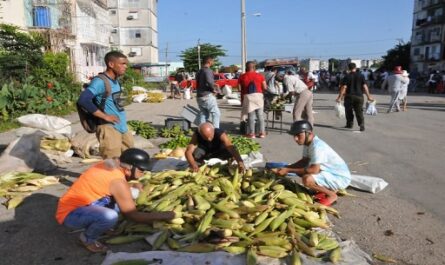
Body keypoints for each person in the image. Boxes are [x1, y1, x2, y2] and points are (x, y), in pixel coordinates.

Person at [55, 148, 175, 253]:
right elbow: (133, 216)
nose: (142, 175)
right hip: (70, 214)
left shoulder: (110, 164)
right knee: (110, 216)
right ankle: (87, 239)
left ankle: (101, 226)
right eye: (141, 171)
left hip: (81, 203)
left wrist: (133, 185)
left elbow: (111, 183)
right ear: (129, 168)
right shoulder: (118, 182)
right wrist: (164, 215)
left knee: (123, 200)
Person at [272, 120, 351, 206]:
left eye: (298, 135)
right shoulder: (308, 143)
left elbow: (314, 170)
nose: (295, 138)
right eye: (294, 135)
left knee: (307, 178)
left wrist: (288, 170)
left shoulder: (317, 147)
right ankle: (327, 189)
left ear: (308, 133)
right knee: (301, 171)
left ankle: (332, 195)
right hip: (331, 173)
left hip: (340, 178)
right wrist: (286, 168)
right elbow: (303, 162)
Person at [78, 51, 134, 158]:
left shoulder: (116, 81)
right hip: (108, 128)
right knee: (112, 163)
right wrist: (105, 116)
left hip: (122, 126)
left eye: (125, 64)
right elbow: (83, 100)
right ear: (111, 64)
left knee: (129, 159)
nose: (125, 66)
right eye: (122, 64)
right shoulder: (100, 81)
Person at [336, 63, 374, 132]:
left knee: (348, 111)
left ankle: (349, 124)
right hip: (359, 96)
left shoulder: (347, 76)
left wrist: (340, 97)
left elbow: (344, 87)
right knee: (359, 111)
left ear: (348, 68)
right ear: (355, 68)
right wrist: (369, 96)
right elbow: (365, 87)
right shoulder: (361, 76)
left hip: (349, 97)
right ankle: (361, 125)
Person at [238, 61, 267, 138]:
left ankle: (252, 134)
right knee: (260, 115)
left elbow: (239, 88)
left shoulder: (242, 76)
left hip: (248, 97)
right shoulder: (260, 76)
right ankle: (262, 133)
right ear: (254, 67)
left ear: (246, 67)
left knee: (251, 116)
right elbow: (265, 87)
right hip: (258, 96)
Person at [195, 56, 221, 128]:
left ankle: (201, 131)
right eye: (213, 61)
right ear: (209, 62)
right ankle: (216, 131)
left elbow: (199, 83)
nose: (213, 63)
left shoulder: (199, 71)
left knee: (203, 114)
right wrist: (214, 89)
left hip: (199, 95)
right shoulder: (208, 70)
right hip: (206, 95)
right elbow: (209, 81)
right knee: (216, 113)